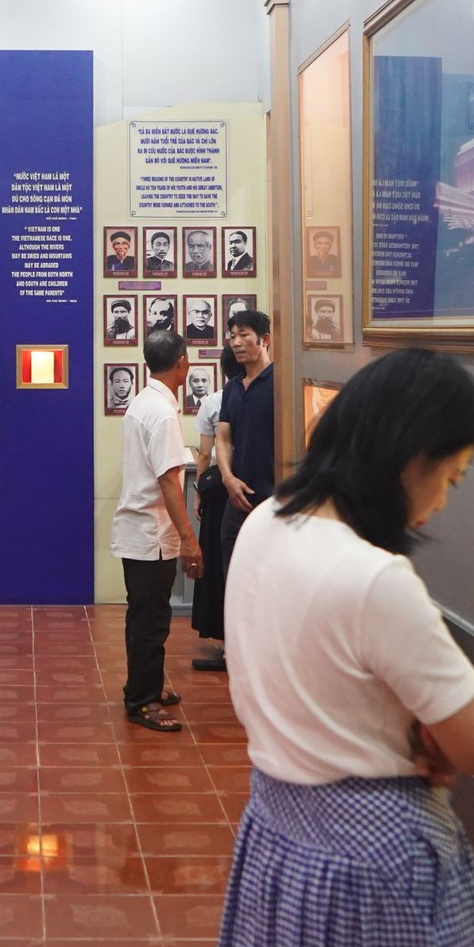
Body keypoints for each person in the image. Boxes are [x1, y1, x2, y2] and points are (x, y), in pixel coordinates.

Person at [214, 348, 474, 947]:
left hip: (279, 827)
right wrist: (426, 725)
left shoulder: (267, 521)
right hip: (375, 862)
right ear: (411, 461)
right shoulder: (374, 577)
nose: (445, 500)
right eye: (450, 478)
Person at [110, 330, 203, 733]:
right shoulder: (162, 413)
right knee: (151, 620)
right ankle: (142, 701)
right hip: (151, 532)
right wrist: (188, 537)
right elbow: (169, 481)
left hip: (141, 528)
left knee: (147, 615)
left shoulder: (144, 402)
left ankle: (143, 684)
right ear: (182, 362)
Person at [214, 310, 277, 608]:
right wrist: (228, 478)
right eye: (232, 336)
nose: (236, 343)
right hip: (236, 498)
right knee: (235, 581)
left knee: (272, 582)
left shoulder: (281, 381)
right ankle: (234, 654)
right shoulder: (232, 388)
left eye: (243, 335)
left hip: (274, 499)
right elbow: (223, 438)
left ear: (264, 339)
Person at [189, 348, 241, 671]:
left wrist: (198, 493)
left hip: (219, 491)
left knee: (216, 559)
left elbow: (205, 455)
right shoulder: (262, 395)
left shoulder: (213, 402)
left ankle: (225, 645)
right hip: (250, 485)